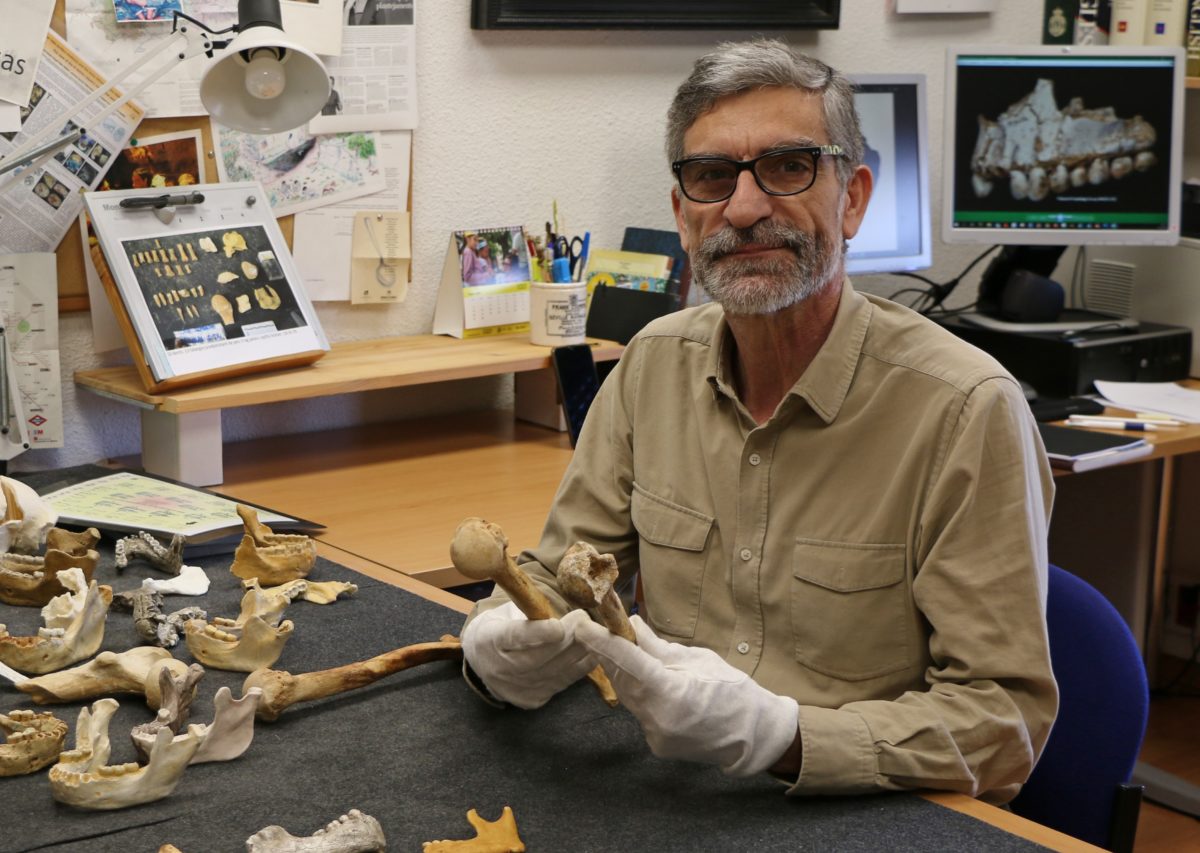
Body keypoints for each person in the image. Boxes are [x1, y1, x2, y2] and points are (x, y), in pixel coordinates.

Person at [460, 39, 1058, 804]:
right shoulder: (651, 365)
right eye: (712, 176)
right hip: (673, 802)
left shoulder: (967, 409)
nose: (743, 209)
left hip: (865, 813)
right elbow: (554, 581)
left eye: (787, 166)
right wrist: (503, 641)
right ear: (682, 214)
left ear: (853, 198)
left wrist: (784, 736)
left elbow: (1002, 723)